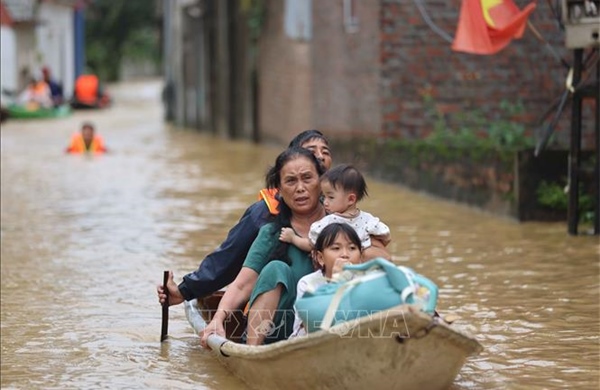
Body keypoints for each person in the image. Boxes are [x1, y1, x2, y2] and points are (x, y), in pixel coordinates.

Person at [157, 130, 336, 307]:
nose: (320, 157)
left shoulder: (341, 212)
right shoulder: (265, 215)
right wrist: (184, 291)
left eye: (325, 152)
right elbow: (228, 259)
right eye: (312, 152)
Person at [200, 147, 327, 346]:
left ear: (321, 181)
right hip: (281, 332)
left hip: (328, 324)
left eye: (307, 178)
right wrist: (217, 319)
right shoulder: (272, 233)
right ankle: (253, 351)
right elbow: (242, 285)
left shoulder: (340, 225)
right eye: (291, 181)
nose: (300, 188)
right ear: (279, 188)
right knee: (276, 269)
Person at [280, 164, 391, 257]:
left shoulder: (329, 223)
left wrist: (293, 238)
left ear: (351, 199)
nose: (325, 202)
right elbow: (386, 237)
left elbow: (310, 244)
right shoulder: (368, 220)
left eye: (331, 197)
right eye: (324, 197)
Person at [290, 223, 363, 338]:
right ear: (320, 258)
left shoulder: (365, 282)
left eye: (352, 248)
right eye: (336, 248)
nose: (345, 255)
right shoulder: (309, 284)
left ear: (360, 257)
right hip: (312, 343)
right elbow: (312, 325)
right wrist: (337, 282)